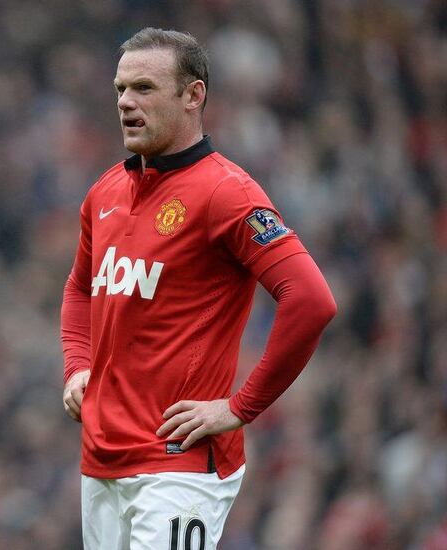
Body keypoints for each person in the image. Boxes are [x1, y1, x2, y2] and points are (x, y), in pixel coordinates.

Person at [60, 27, 337, 549]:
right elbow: (79, 288)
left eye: (144, 88)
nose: (125, 102)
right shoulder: (106, 191)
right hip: (100, 462)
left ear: (193, 96)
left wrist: (238, 409)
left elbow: (311, 300)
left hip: (176, 467)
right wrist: (77, 366)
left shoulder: (226, 194)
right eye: (120, 89)